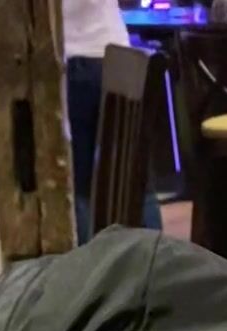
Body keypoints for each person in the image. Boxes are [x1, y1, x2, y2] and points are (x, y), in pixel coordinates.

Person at [64, 0, 162, 242]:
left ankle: (96, 261)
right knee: (137, 178)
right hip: (121, 56)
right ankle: (158, 258)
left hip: (75, 58)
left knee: (83, 186)